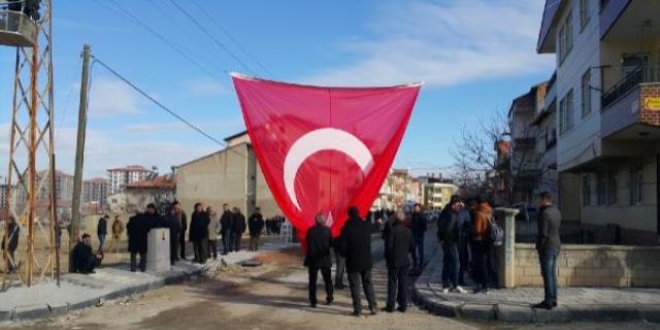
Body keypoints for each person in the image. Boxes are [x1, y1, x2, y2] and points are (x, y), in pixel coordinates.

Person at [338, 206, 377, 317]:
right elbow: (375, 230)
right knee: (368, 283)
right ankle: (373, 306)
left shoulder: (346, 228)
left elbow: (342, 249)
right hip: (366, 260)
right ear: (358, 213)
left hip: (353, 261)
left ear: (349, 215)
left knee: (355, 286)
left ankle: (358, 309)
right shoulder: (366, 225)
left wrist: (344, 254)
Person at [533, 192, 562, 310]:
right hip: (556, 244)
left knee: (547, 274)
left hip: (547, 246)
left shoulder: (544, 213)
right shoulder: (556, 211)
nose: (537, 202)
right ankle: (554, 299)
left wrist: (539, 247)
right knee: (552, 273)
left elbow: (543, 234)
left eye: (539, 200)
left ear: (544, 200)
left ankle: (548, 301)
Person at [383, 209, 414, 313]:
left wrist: (388, 258)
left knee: (392, 283)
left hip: (394, 260)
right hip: (405, 260)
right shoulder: (408, 231)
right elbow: (412, 247)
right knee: (403, 283)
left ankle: (391, 305)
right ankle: (403, 305)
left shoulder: (392, 230)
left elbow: (388, 247)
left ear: (395, 218)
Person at [437, 196, 467, 294]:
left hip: (448, 241)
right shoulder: (451, 214)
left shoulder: (449, 211)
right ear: (454, 204)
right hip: (450, 241)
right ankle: (455, 284)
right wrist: (443, 239)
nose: (460, 206)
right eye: (458, 204)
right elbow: (446, 228)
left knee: (447, 262)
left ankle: (446, 285)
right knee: (455, 262)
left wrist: (441, 238)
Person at [304, 214, 334, 308]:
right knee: (328, 280)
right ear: (324, 221)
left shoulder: (311, 231)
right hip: (324, 259)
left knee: (312, 281)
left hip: (313, 259)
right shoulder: (327, 230)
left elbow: (307, 242)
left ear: (316, 221)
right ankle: (329, 298)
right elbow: (331, 243)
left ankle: (313, 301)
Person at [471, 196, 493, 294]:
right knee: (487, 263)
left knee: (480, 264)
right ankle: (486, 284)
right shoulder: (489, 211)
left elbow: (477, 230)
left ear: (478, 203)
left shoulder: (479, 213)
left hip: (480, 240)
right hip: (488, 240)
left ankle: (482, 285)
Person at [410, 203, 427, 274]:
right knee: (413, 250)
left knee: (420, 251)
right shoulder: (413, 215)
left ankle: (421, 264)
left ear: (419, 208)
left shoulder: (422, 215)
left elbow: (424, 226)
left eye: (416, 207)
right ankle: (415, 264)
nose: (415, 209)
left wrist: (421, 232)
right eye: (414, 207)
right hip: (414, 235)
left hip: (420, 235)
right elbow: (412, 224)